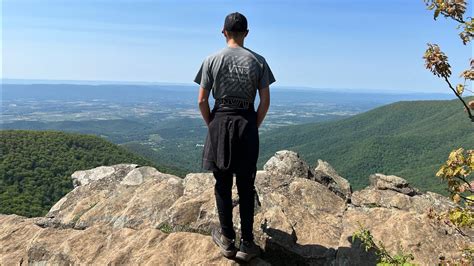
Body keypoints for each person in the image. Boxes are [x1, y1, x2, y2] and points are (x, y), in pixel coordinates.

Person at [194, 12, 275, 262]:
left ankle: (227, 239)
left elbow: (201, 100)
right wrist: (253, 125)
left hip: (220, 119)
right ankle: (247, 243)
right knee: (246, 184)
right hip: (246, 121)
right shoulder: (259, 61)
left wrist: (212, 125)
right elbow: (265, 102)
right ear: (247, 33)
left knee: (222, 183)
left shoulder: (211, 60)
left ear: (224, 32)